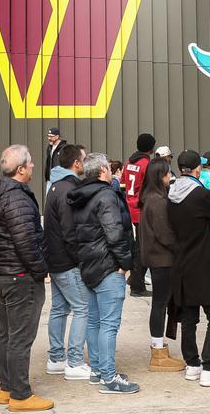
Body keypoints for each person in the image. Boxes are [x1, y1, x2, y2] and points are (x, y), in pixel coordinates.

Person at [0, 145, 53, 412]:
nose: (34, 167)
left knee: (6, 334)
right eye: (31, 163)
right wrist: (40, 270)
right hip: (19, 276)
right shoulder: (18, 198)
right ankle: (20, 395)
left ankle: (6, 387)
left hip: (2, 272)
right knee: (20, 337)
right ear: (21, 169)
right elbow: (26, 241)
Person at [68, 152, 140, 394]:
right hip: (107, 266)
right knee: (108, 324)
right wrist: (126, 263)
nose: (112, 171)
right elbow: (115, 233)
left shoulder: (80, 196)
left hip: (88, 265)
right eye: (109, 167)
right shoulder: (106, 195)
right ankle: (109, 377)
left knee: (95, 322)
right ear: (102, 171)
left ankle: (99, 370)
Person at [167, 149, 210, 387]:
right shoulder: (200, 194)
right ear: (197, 169)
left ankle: (193, 364)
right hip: (205, 262)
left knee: (189, 316)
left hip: (182, 261)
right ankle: (209, 368)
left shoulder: (171, 194)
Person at [43, 144, 93, 378]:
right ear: (76, 164)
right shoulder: (68, 190)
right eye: (83, 159)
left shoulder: (55, 186)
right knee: (82, 308)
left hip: (54, 259)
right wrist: (79, 259)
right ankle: (73, 362)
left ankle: (56, 358)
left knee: (60, 309)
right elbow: (69, 229)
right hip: (67, 262)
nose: (85, 163)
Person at [137, 156, 185, 373]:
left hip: (157, 258)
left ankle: (160, 348)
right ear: (160, 176)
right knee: (160, 303)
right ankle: (157, 352)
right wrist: (180, 247)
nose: (170, 176)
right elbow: (165, 234)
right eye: (167, 173)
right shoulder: (157, 201)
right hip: (162, 259)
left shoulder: (151, 197)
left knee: (160, 303)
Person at [118, 133, 156, 297]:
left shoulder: (128, 162)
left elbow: (123, 185)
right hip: (142, 210)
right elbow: (151, 188)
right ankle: (137, 285)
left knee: (138, 245)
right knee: (143, 248)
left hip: (130, 208)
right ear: (151, 148)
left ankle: (134, 278)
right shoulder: (146, 164)